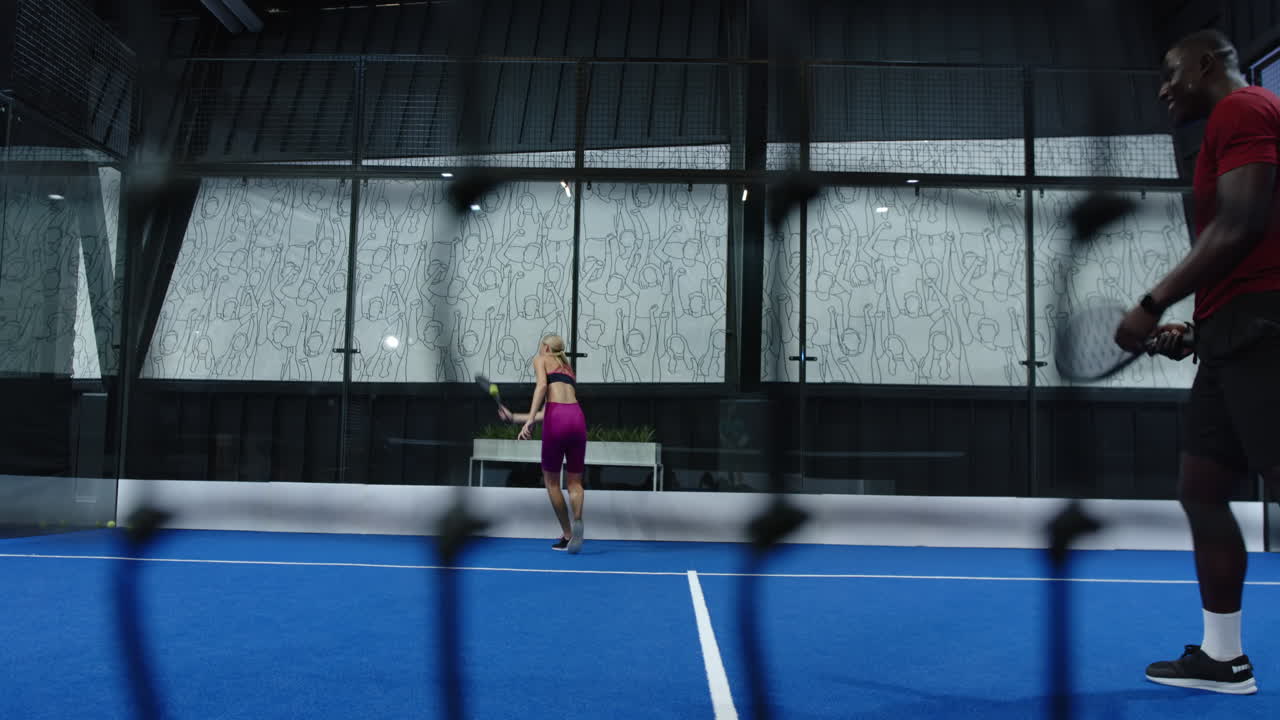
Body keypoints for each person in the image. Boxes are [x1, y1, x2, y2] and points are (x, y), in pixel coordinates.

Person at [1114, 29, 1280, 695]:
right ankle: (1222, 658)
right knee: (1203, 490)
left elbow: (1240, 226)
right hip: (1234, 332)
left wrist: (1151, 305)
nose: (1163, 89)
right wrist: (1200, 325)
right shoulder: (1228, 125)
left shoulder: (1246, 109)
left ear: (1209, 62)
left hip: (1268, 330)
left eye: (1171, 73)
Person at [498, 335, 587, 553]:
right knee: (575, 482)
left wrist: (528, 421)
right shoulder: (568, 369)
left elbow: (541, 387)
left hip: (556, 421)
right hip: (577, 418)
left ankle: (568, 534)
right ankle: (578, 519)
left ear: (546, 347)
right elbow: (548, 410)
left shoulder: (541, 359)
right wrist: (516, 418)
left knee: (552, 483)